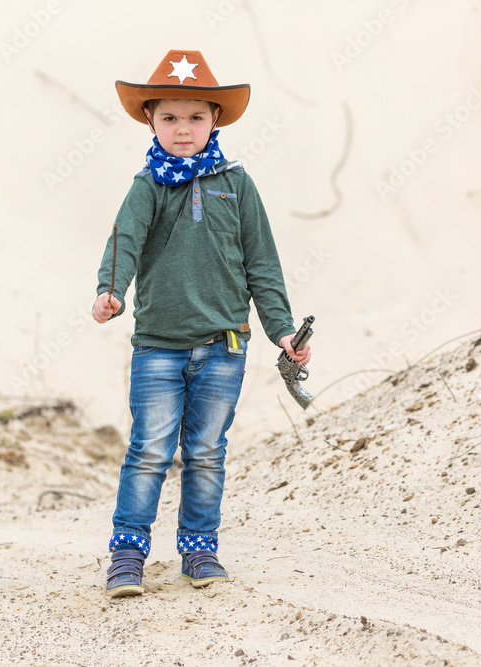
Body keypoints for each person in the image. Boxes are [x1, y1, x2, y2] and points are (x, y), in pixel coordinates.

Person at [92, 50, 312, 598]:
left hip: (225, 346)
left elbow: (262, 263)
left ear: (216, 118)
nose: (182, 129)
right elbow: (124, 240)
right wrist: (109, 291)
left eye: (195, 117)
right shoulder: (148, 184)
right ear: (151, 121)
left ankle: (199, 550)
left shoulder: (236, 184)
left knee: (207, 450)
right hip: (158, 346)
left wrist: (282, 330)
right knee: (149, 448)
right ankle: (127, 554)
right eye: (169, 117)